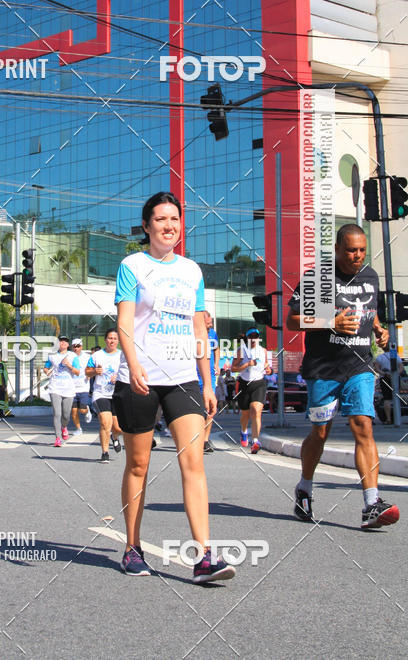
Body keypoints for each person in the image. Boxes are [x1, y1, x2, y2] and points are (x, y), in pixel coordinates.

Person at [113, 191, 235, 584]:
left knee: (194, 463)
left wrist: (208, 380)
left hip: (183, 379)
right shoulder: (132, 265)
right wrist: (132, 366)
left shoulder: (192, 271)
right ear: (147, 225)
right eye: (161, 219)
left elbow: (198, 327)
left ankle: (205, 557)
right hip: (141, 379)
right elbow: (125, 323)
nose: (169, 226)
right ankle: (132, 548)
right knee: (138, 465)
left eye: (175, 219)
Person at [287, 223, 400, 529]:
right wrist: (330, 321)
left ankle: (371, 503)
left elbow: (368, 308)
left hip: (359, 365)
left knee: (362, 425)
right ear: (336, 249)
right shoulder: (320, 279)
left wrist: (377, 327)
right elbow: (292, 320)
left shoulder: (370, 277)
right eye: (351, 250)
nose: (357, 256)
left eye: (362, 250)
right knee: (320, 433)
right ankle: (305, 487)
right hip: (323, 369)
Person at [86, 328, 123, 462]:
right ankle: (105, 452)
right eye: (110, 338)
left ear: (118, 341)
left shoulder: (122, 355)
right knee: (105, 423)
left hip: (117, 394)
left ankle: (115, 437)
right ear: (105, 340)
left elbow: (130, 373)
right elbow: (87, 372)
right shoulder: (97, 355)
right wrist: (95, 371)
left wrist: (118, 378)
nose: (112, 341)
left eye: (115, 338)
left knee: (118, 427)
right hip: (100, 393)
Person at [232, 327, 271, 454]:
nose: (254, 339)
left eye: (256, 336)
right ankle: (244, 432)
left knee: (256, 410)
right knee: (245, 414)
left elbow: (266, 365)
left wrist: (269, 370)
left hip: (259, 383)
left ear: (259, 338)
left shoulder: (263, 351)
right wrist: (247, 364)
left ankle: (255, 441)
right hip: (244, 384)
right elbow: (233, 368)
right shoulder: (241, 351)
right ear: (247, 338)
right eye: (251, 337)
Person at [44, 335, 80, 446]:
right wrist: (46, 371)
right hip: (55, 387)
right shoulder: (52, 355)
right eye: (61, 341)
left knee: (66, 415)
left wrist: (69, 365)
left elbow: (77, 372)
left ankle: (64, 427)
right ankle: (57, 438)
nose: (63, 343)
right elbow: (46, 367)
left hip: (68, 388)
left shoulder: (73, 356)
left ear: (68, 345)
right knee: (57, 413)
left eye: (65, 342)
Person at [201, 311, 220, 452]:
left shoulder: (213, 334)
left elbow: (217, 348)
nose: (211, 324)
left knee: (210, 409)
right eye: (208, 322)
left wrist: (217, 364)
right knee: (195, 411)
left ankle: (205, 441)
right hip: (193, 375)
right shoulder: (192, 333)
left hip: (210, 377)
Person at [70, 338, 91, 434]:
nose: (76, 348)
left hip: (84, 386)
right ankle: (79, 429)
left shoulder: (87, 357)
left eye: (78, 346)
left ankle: (87, 411)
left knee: (82, 410)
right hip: (72, 387)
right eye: (74, 346)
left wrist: (89, 374)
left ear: (81, 347)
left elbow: (92, 367)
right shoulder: (68, 357)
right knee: (74, 411)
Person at [374, 351, 393, 424]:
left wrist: (384, 373)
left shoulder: (380, 357)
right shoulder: (395, 356)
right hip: (395, 379)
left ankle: (388, 419)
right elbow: (400, 367)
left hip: (384, 379)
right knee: (396, 398)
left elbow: (376, 368)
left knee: (387, 399)